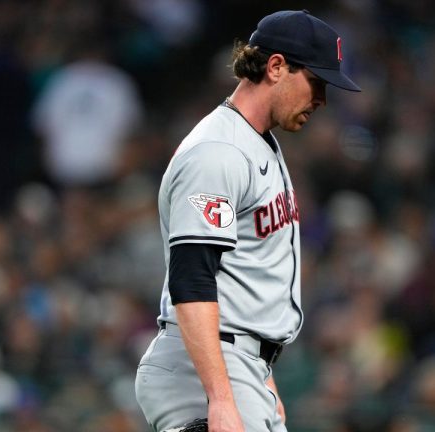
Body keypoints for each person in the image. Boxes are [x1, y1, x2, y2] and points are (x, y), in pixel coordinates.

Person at [135, 10, 361, 432]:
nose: (323, 100)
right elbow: (192, 279)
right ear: (276, 66)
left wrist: (263, 371)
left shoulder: (258, 143)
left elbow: (244, 276)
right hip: (202, 373)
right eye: (317, 81)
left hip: (239, 365)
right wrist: (221, 398)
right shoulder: (217, 151)